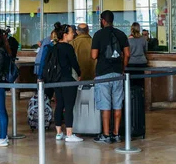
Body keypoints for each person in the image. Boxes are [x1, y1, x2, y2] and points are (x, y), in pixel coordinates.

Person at [91, 10, 130, 144]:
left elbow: (94, 56)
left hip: (103, 73)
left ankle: (106, 135)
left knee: (105, 105)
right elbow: (127, 54)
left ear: (102, 21)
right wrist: (122, 69)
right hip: (118, 73)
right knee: (118, 104)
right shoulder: (121, 34)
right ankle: (116, 134)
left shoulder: (98, 35)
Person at [52, 25, 83, 142]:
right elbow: (74, 63)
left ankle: (59, 132)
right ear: (65, 35)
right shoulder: (68, 47)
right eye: (71, 32)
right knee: (69, 106)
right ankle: (69, 133)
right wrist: (79, 74)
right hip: (68, 79)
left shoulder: (54, 47)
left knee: (59, 104)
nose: (73, 34)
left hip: (57, 80)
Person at [128, 22, 148, 88]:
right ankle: (140, 96)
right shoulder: (143, 39)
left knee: (130, 83)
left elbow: (127, 53)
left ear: (131, 29)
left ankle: (132, 96)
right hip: (142, 63)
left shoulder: (128, 40)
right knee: (141, 83)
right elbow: (146, 51)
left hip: (131, 63)